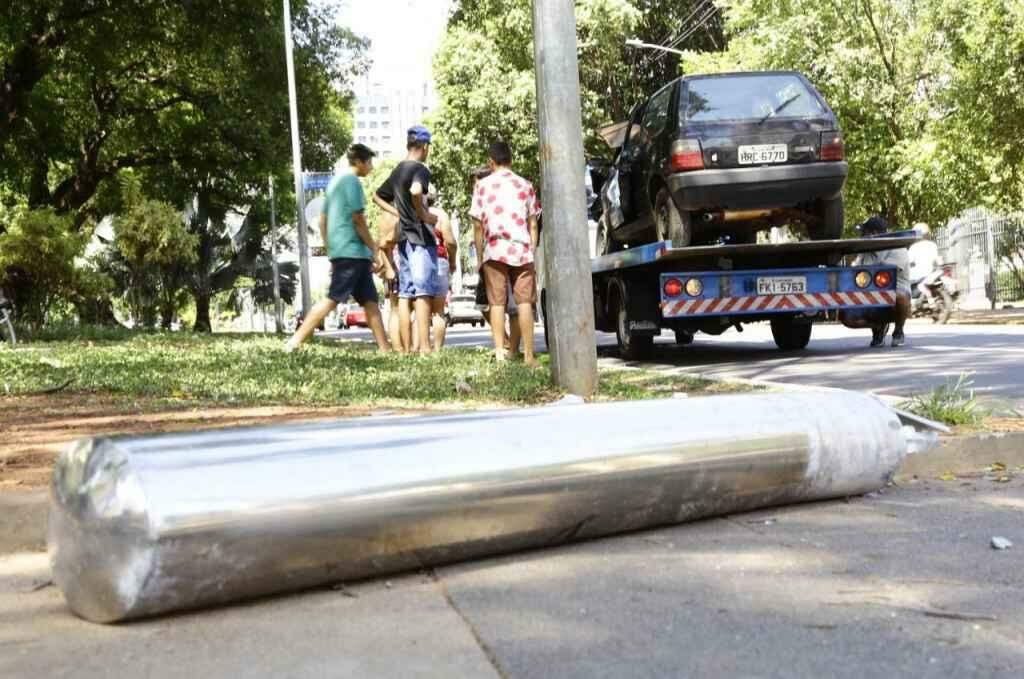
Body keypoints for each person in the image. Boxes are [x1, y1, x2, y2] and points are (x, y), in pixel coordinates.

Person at [285, 144, 390, 352]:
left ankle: (385, 348)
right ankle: (294, 341)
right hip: (351, 252)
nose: (371, 167)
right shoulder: (352, 182)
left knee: (370, 302)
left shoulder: (334, 183)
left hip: (348, 252)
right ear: (359, 162)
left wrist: (330, 248)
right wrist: (375, 248)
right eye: (368, 162)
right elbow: (358, 219)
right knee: (332, 299)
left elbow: (323, 219)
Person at [470, 141, 541, 365]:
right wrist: (532, 250)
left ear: (491, 162)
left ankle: (500, 353)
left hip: (494, 248)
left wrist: (480, 257)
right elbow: (533, 224)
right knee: (524, 303)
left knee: (497, 303)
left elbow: (478, 226)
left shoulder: (482, 186)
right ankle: (528, 356)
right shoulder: (525, 185)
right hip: (522, 249)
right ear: (511, 159)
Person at [373, 125, 438, 355]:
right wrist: (423, 214)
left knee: (405, 293)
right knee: (423, 293)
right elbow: (416, 190)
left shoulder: (398, 169)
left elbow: (377, 196)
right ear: (424, 146)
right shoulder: (420, 168)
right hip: (420, 238)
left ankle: (407, 349)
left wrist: (397, 213)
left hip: (403, 238)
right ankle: (425, 348)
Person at [840, 215, 911, 347]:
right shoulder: (865, 251)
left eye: (864, 232)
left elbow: (885, 274)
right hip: (870, 296)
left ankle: (899, 330)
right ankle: (878, 327)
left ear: (874, 233)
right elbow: (856, 271)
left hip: (893, 293)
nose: (862, 235)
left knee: (901, 297)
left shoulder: (897, 248)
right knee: (845, 316)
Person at [427, 189, 457, 351]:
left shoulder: (411, 213)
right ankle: (437, 349)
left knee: (420, 309)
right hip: (439, 261)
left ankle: (421, 347)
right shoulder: (440, 215)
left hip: (417, 262)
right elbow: (450, 242)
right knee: (438, 311)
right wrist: (452, 262)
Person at [908, 223, 943, 305]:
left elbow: (909, 261)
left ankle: (917, 301)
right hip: (931, 272)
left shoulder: (914, 247)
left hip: (919, 274)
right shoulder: (933, 245)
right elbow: (936, 258)